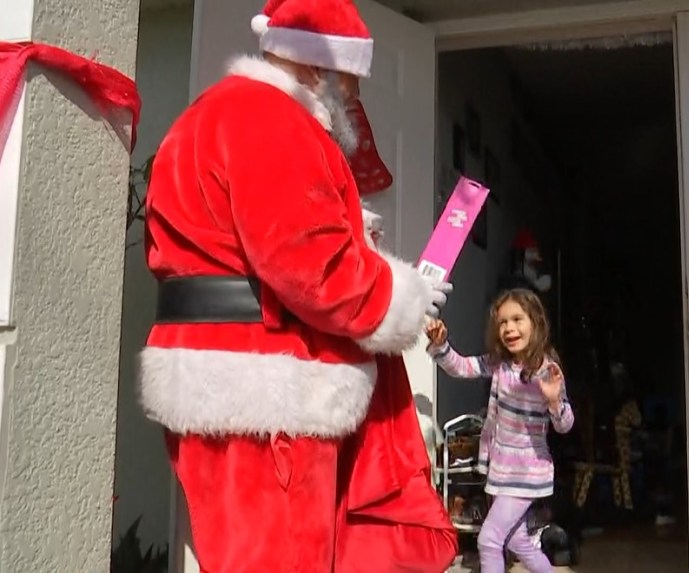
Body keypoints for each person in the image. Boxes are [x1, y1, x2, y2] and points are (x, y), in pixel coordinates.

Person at [137, 0, 456, 570]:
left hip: (219, 381)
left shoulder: (204, 117)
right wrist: (401, 297)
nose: (351, 99)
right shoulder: (274, 121)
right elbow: (312, 267)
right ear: (315, 68)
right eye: (349, 81)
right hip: (273, 390)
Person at [425, 288, 575, 573]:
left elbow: (565, 425)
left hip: (526, 474)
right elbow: (461, 367)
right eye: (503, 322)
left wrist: (555, 401)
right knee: (518, 542)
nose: (509, 328)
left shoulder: (547, 371)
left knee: (489, 541)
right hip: (501, 472)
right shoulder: (499, 364)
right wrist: (441, 346)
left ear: (536, 322)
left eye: (517, 319)